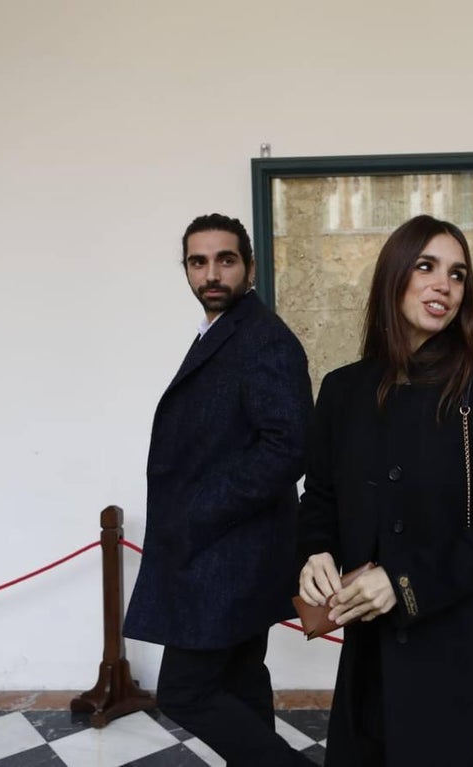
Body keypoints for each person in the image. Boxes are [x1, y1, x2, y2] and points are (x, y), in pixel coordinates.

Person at [297, 214, 473, 767]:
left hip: (459, 648)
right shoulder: (342, 390)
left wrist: (401, 583)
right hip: (369, 655)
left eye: (457, 274)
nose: (443, 285)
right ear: (393, 277)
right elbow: (321, 496)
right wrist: (313, 552)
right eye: (426, 266)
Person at [124, 213, 314, 766]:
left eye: (225, 260)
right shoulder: (221, 333)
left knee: (189, 692)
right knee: (238, 682)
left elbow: (289, 446)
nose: (212, 273)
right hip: (228, 553)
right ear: (186, 269)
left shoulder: (262, 338)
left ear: (248, 268)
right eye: (198, 261)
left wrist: (198, 511)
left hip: (228, 555)